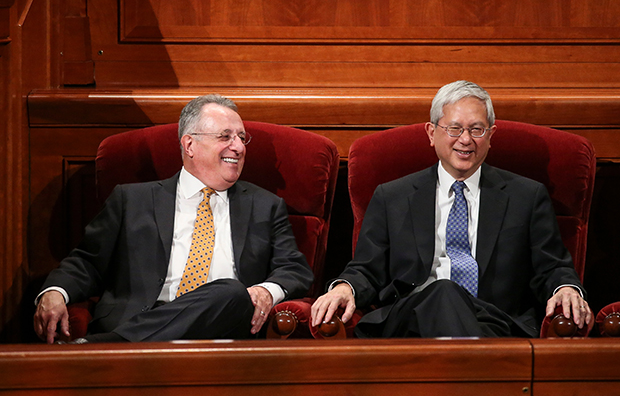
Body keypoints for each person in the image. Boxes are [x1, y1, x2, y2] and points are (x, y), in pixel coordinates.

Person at [311, 80, 593, 338]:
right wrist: (344, 287)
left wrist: (565, 288)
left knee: (452, 299)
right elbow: (366, 269)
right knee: (444, 290)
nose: (466, 140)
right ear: (432, 133)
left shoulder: (526, 196)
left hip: (493, 320)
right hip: (411, 319)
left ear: (491, 135)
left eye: (476, 129)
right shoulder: (393, 196)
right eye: (455, 129)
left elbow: (552, 266)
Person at [34, 94, 313, 344]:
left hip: (221, 325)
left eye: (242, 137)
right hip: (136, 318)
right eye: (225, 136)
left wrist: (267, 291)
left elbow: (295, 269)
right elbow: (87, 262)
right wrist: (56, 291)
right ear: (189, 144)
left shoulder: (265, 206)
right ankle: (130, 340)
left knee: (231, 291)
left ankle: (107, 347)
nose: (238, 147)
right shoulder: (132, 200)